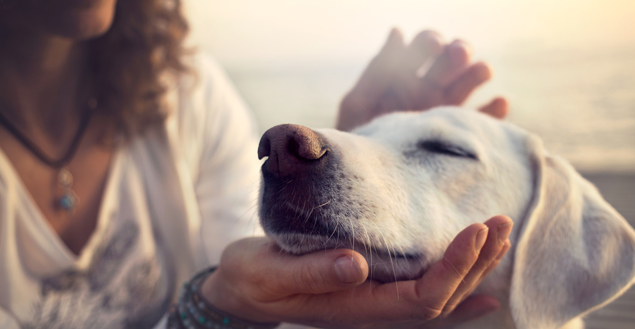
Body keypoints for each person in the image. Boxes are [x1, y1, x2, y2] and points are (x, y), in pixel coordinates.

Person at [0, 0, 513, 328]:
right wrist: (211, 308)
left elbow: (269, 288)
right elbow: (244, 291)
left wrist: (367, 162)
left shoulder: (181, 91)